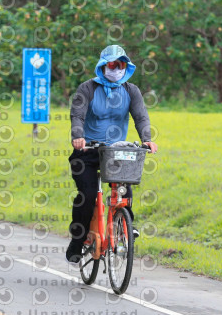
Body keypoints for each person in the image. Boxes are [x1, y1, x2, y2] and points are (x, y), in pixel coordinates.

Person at [67, 45, 157, 263]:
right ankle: (77, 242)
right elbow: (77, 115)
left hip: (116, 151)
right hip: (87, 150)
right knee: (87, 195)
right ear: (103, 66)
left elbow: (141, 116)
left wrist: (147, 138)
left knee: (125, 185)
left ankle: (125, 226)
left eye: (121, 65)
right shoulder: (87, 88)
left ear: (126, 67)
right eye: (111, 64)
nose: (116, 69)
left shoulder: (131, 90)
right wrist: (78, 136)